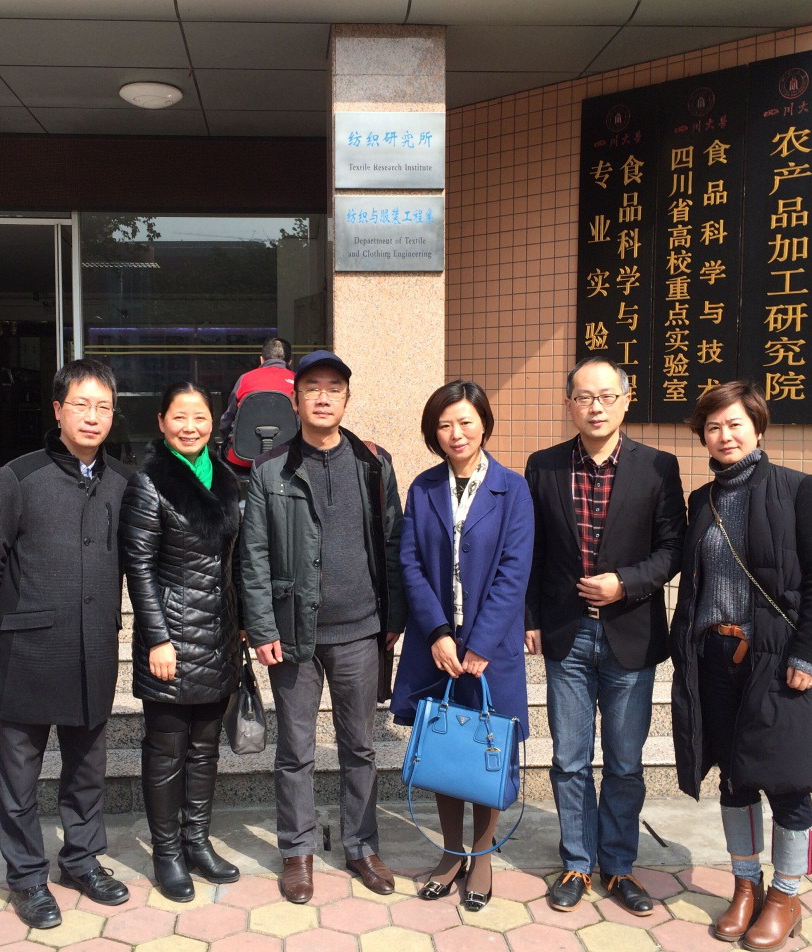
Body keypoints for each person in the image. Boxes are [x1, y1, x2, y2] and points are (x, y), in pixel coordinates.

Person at [670, 380, 812, 949]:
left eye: (735, 424)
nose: (725, 435)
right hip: (713, 657)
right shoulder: (703, 500)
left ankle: (787, 895)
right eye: (713, 427)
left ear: (758, 428)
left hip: (776, 658)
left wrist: (809, 653)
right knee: (734, 777)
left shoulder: (798, 490)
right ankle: (745, 885)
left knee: (787, 781)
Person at [0, 358, 133, 930]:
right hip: (28, 653)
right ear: (58, 410)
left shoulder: (123, 482)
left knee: (87, 767)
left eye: (103, 407)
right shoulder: (19, 478)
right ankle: (26, 878)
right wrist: (23, 617)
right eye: (81, 405)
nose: (92, 416)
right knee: (19, 774)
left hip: (93, 648)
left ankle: (82, 861)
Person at [240, 349, 407, 904]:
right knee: (295, 751)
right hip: (294, 636)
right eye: (312, 387)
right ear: (295, 400)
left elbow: (393, 542)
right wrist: (262, 626)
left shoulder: (373, 463)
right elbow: (253, 556)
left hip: (360, 631)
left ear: (347, 398)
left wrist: (394, 618)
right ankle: (297, 852)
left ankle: (362, 846)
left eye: (334, 387)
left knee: (360, 747)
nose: (322, 397)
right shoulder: (271, 469)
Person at [524, 356, 685, 916]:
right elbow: (533, 550)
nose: (595, 407)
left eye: (606, 396)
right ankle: (576, 861)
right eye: (584, 397)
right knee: (569, 759)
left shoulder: (659, 467)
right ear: (569, 404)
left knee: (624, 762)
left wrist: (625, 584)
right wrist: (530, 618)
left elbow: (673, 549)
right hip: (566, 636)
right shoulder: (543, 466)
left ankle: (617, 865)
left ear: (625, 399)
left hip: (630, 634)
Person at [391, 381, 533, 913]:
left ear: (484, 425)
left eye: (466, 422)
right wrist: (436, 632)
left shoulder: (512, 489)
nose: (456, 433)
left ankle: (483, 857)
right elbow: (409, 562)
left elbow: (515, 570)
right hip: (437, 646)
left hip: (489, 650)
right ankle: (451, 853)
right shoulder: (423, 487)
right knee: (446, 748)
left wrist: (481, 642)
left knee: (488, 749)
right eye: (445, 424)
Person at [119, 381, 243, 902]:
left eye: (200, 418)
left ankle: (197, 841)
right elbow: (139, 568)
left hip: (218, 636)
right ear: (161, 422)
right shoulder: (149, 484)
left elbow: (233, 561)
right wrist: (157, 639)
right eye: (179, 417)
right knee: (166, 751)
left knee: (205, 750)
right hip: (170, 640)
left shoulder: (227, 479)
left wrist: (241, 625)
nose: (190, 427)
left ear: (213, 423)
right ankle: (167, 852)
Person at [218, 337, 295, 470]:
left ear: (261, 360)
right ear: (290, 362)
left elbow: (227, 420)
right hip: (287, 462)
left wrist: (225, 439)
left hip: (241, 460)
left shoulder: (245, 379)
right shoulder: (298, 380)